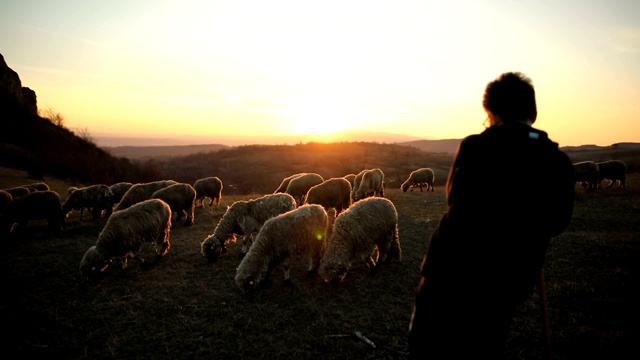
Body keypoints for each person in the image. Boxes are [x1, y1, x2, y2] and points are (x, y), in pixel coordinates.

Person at [408, 72, 575, 358]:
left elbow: (454, 200)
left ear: (491, 112)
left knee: (428, 348)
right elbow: (557, 222)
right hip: (506, 285)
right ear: (533, 113)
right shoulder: (557, 162)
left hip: (448, 278)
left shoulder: (475, 148)